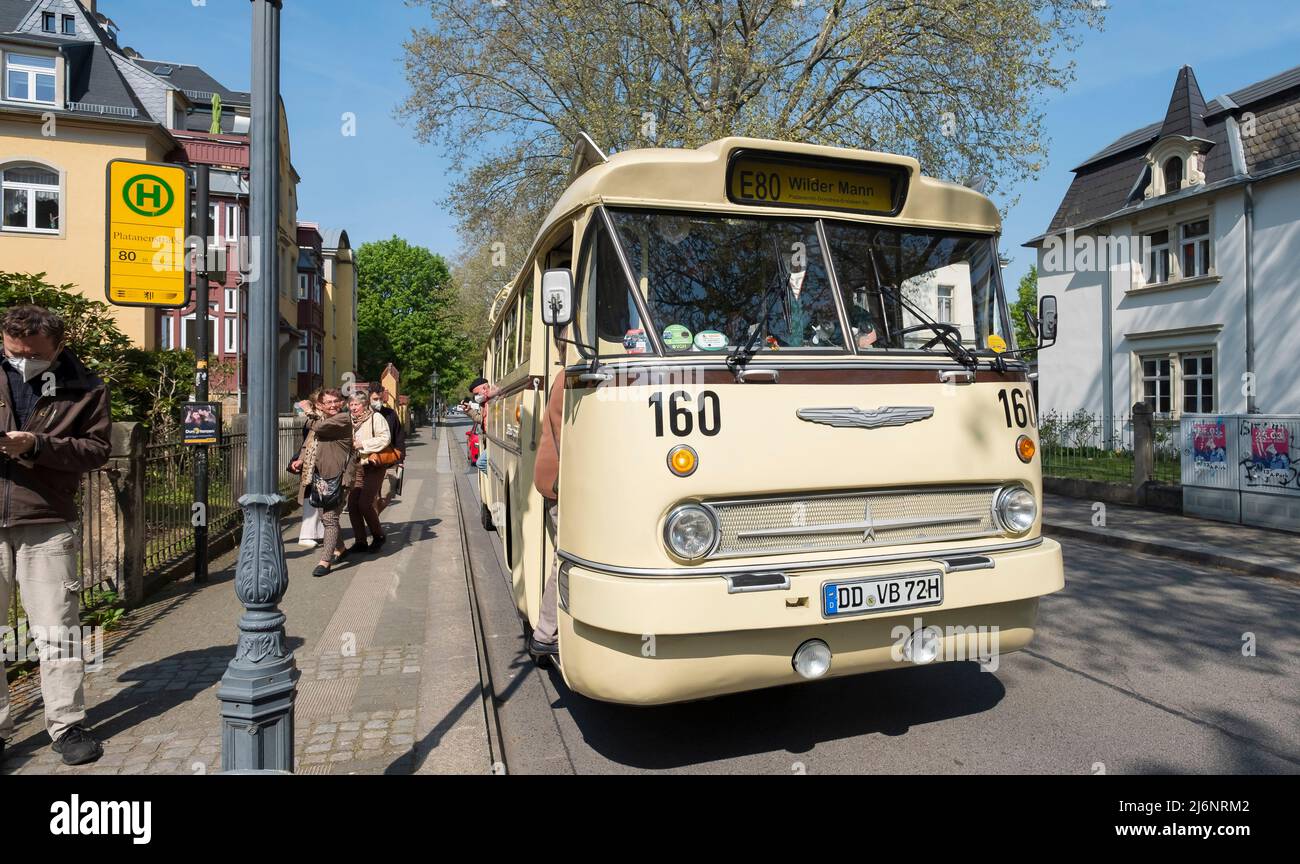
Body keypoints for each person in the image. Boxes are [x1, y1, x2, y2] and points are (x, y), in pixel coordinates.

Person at [0, 305, 111, 767]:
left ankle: (66, 725)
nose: (22, 360)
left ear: (58, 347)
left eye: (33, 354)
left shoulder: (86, 386)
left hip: (45, 520)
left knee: (57, 630)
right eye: (12, 352)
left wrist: (38, 446)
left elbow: (98, 450)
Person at [528, 339, 567, 659]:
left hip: (553, 480)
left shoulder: (564, 377)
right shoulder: (570, 379)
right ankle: (545, 633)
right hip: (559, 483)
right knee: (565, 555)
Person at [290, 389, 354, 577]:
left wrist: (310, 410)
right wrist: (301, 460)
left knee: (329, 518)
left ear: (342, 403)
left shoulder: (343, 419)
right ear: (322, 405)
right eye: (329, 402)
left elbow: (318, 428)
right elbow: (309, 441)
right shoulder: (319, 420)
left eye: (336, 401)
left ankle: (325, 561)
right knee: (325, 517)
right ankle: (341, 549)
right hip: (319, 477)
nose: (333, 404)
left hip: (339, 477)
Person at [347, 392, 390, 553]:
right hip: (357, 465)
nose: (353, 408)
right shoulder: (350, 420)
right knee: (352, 504)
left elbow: (385, 438)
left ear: (364, 405)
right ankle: (360, 541)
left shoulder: (376, 418)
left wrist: (363, 444)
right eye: (351, 405)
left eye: (356, 404)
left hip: (373, 465)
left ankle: (378, 536)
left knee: (365, 503)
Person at [293, 389, 327, 549]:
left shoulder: (316, 418)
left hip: (318, 462)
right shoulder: (313, 420)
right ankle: (306, 534)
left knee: (320, 496)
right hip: (312, 463)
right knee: (311, 496)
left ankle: (318, 531)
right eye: (324, 402)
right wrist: (300, 459)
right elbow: (308, 442)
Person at [368, 385, 404, 512]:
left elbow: (399, 437)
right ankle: (374, 526)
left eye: (381, 399)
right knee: (372, 498)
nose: (378, 402)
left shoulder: (390, 414)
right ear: (368, 399)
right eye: (375, 399)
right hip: (369, 463)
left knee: (387, 494)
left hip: (389, 461)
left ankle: (374, 521)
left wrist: (400, 460)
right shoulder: (364, 415)